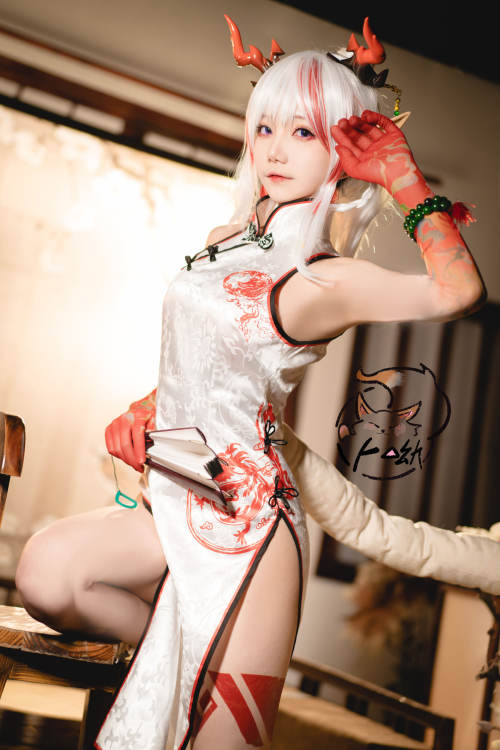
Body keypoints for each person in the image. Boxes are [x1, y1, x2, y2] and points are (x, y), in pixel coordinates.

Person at [15, 16, 494, 750]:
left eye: (302, 132)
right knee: (47, 574)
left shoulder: (325, 279)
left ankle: (187, 674)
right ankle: (171, 662)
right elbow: (212, 361)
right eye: (265, 126)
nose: (274, 149)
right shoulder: (222, 243)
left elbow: (458, 291)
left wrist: (402, 175)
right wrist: (149, 405)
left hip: (250, 529)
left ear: (340, 147)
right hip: (173, 497)